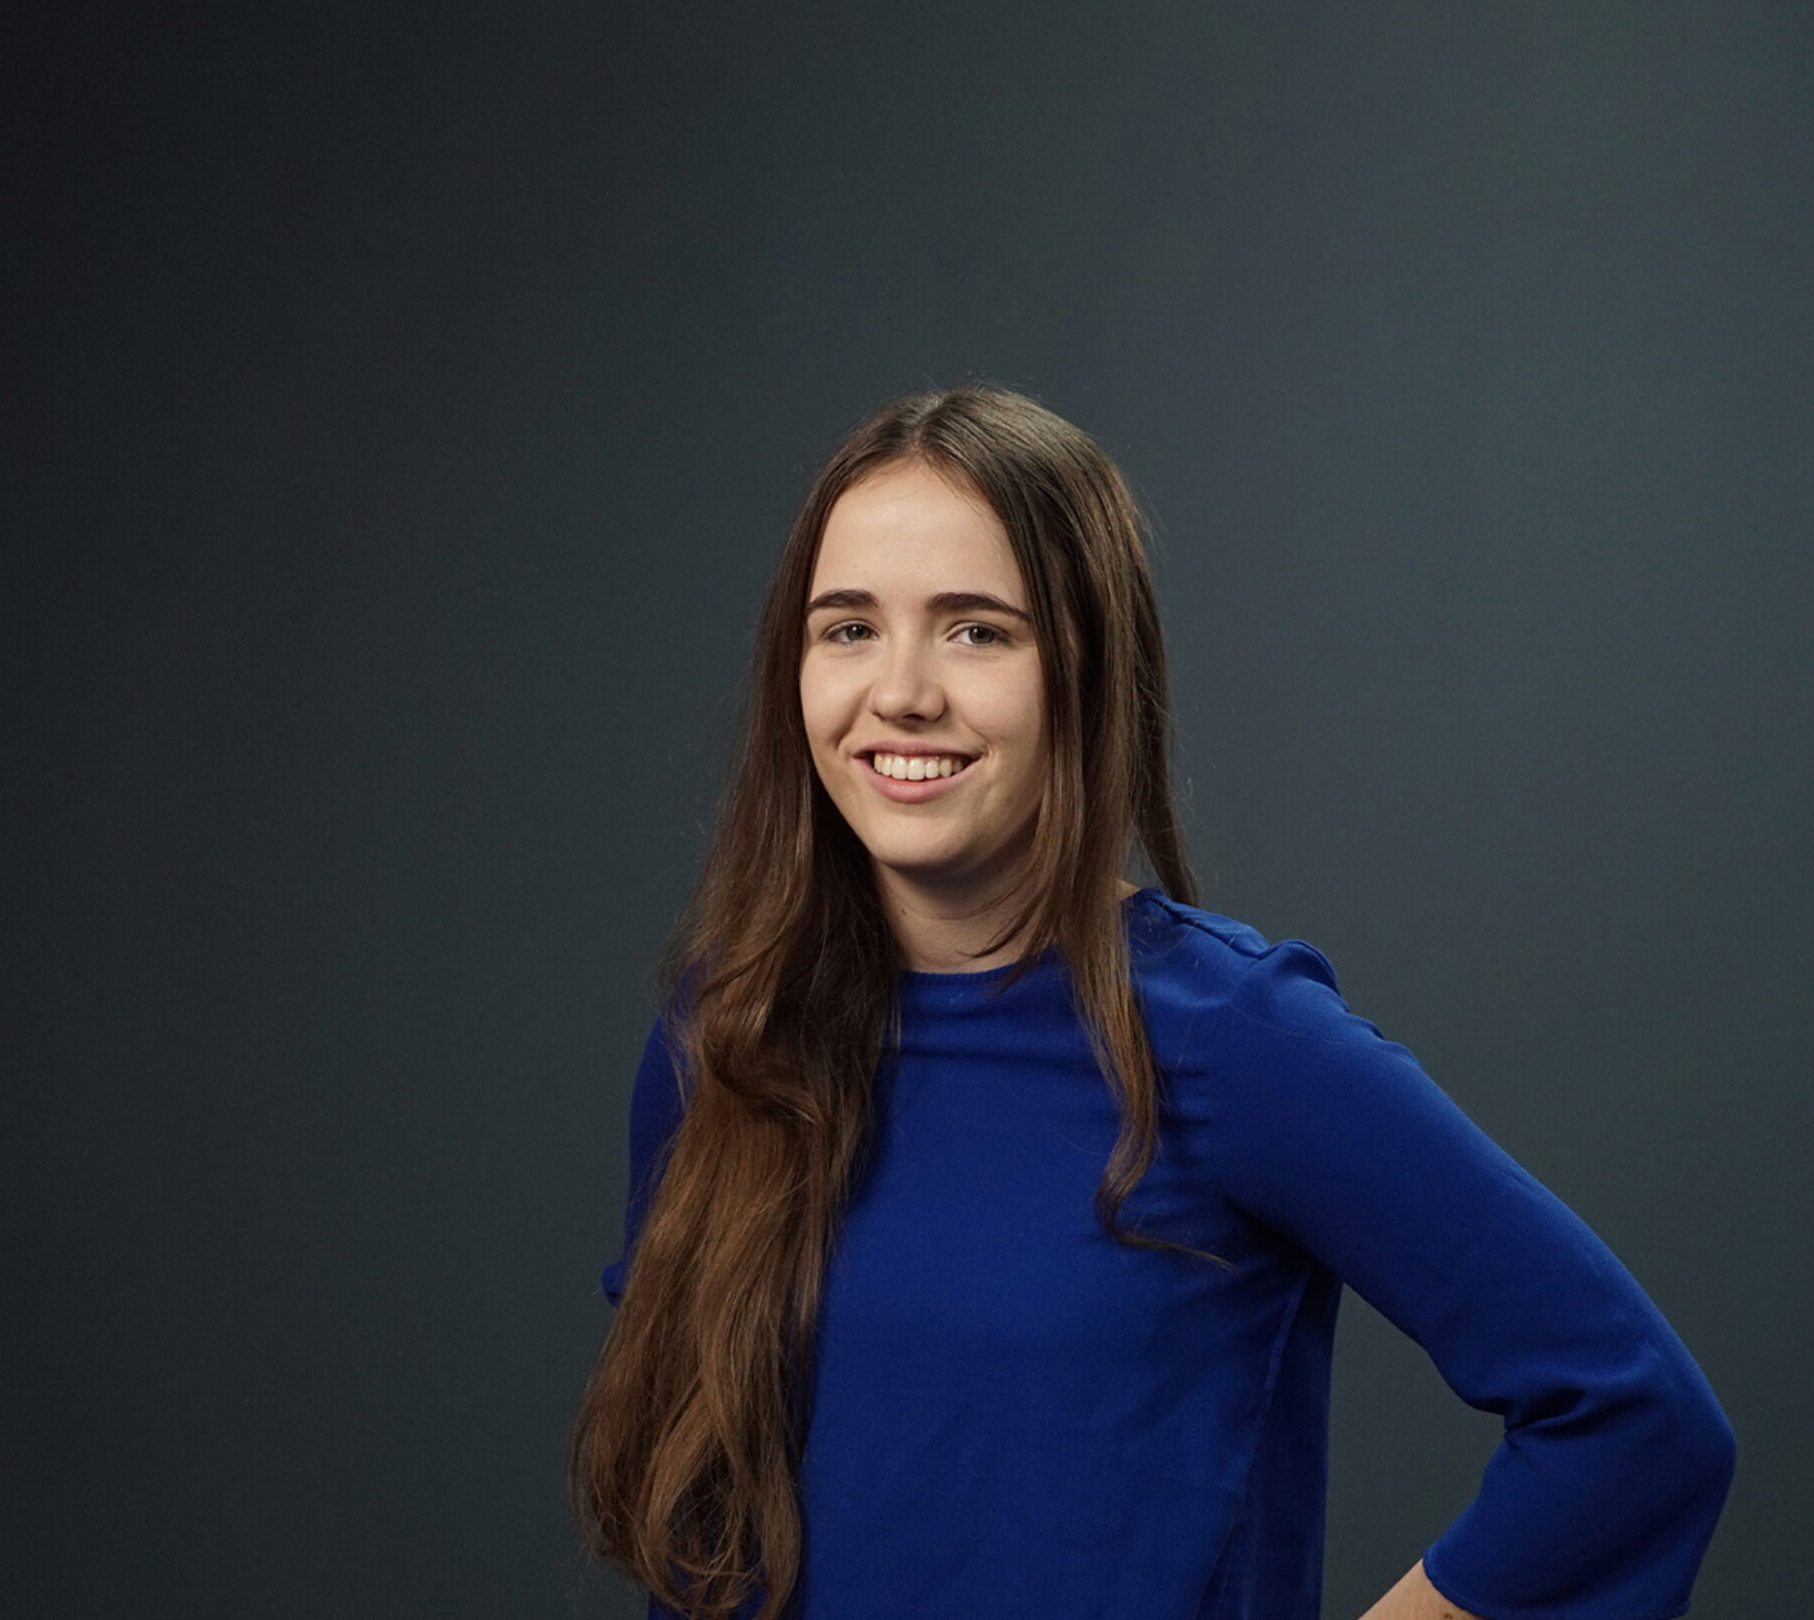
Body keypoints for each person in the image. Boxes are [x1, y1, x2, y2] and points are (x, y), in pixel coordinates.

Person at [566, 385, 1735, 1620]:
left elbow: (1634, 1422)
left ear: (1085, 667)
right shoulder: (723, 1041)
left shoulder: (1233, 1039)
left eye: (977, 632)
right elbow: (696, 1534)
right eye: (848, 629)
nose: (901, 692)